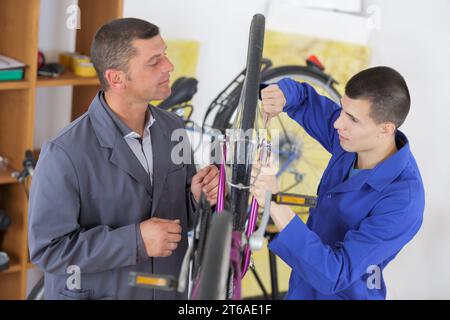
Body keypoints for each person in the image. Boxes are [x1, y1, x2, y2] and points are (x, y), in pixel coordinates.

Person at [28, 18, 219, 300]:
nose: (169, 66)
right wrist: (136, 241)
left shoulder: (173, 129)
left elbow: (177, 223)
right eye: (154, 61)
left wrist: (195, 197)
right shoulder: (64, 152)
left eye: (164, 54)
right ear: (116, 78)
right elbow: (49, 250)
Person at [251, 66, 425, 299]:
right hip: (301, 288)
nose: (337, 123)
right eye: (342, 109)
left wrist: (275, 202)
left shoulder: (403, 201)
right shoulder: (352, 141)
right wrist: (283, 93)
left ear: (385, 129)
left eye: (352, 118)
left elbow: (335, 273)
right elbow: (303, 100)